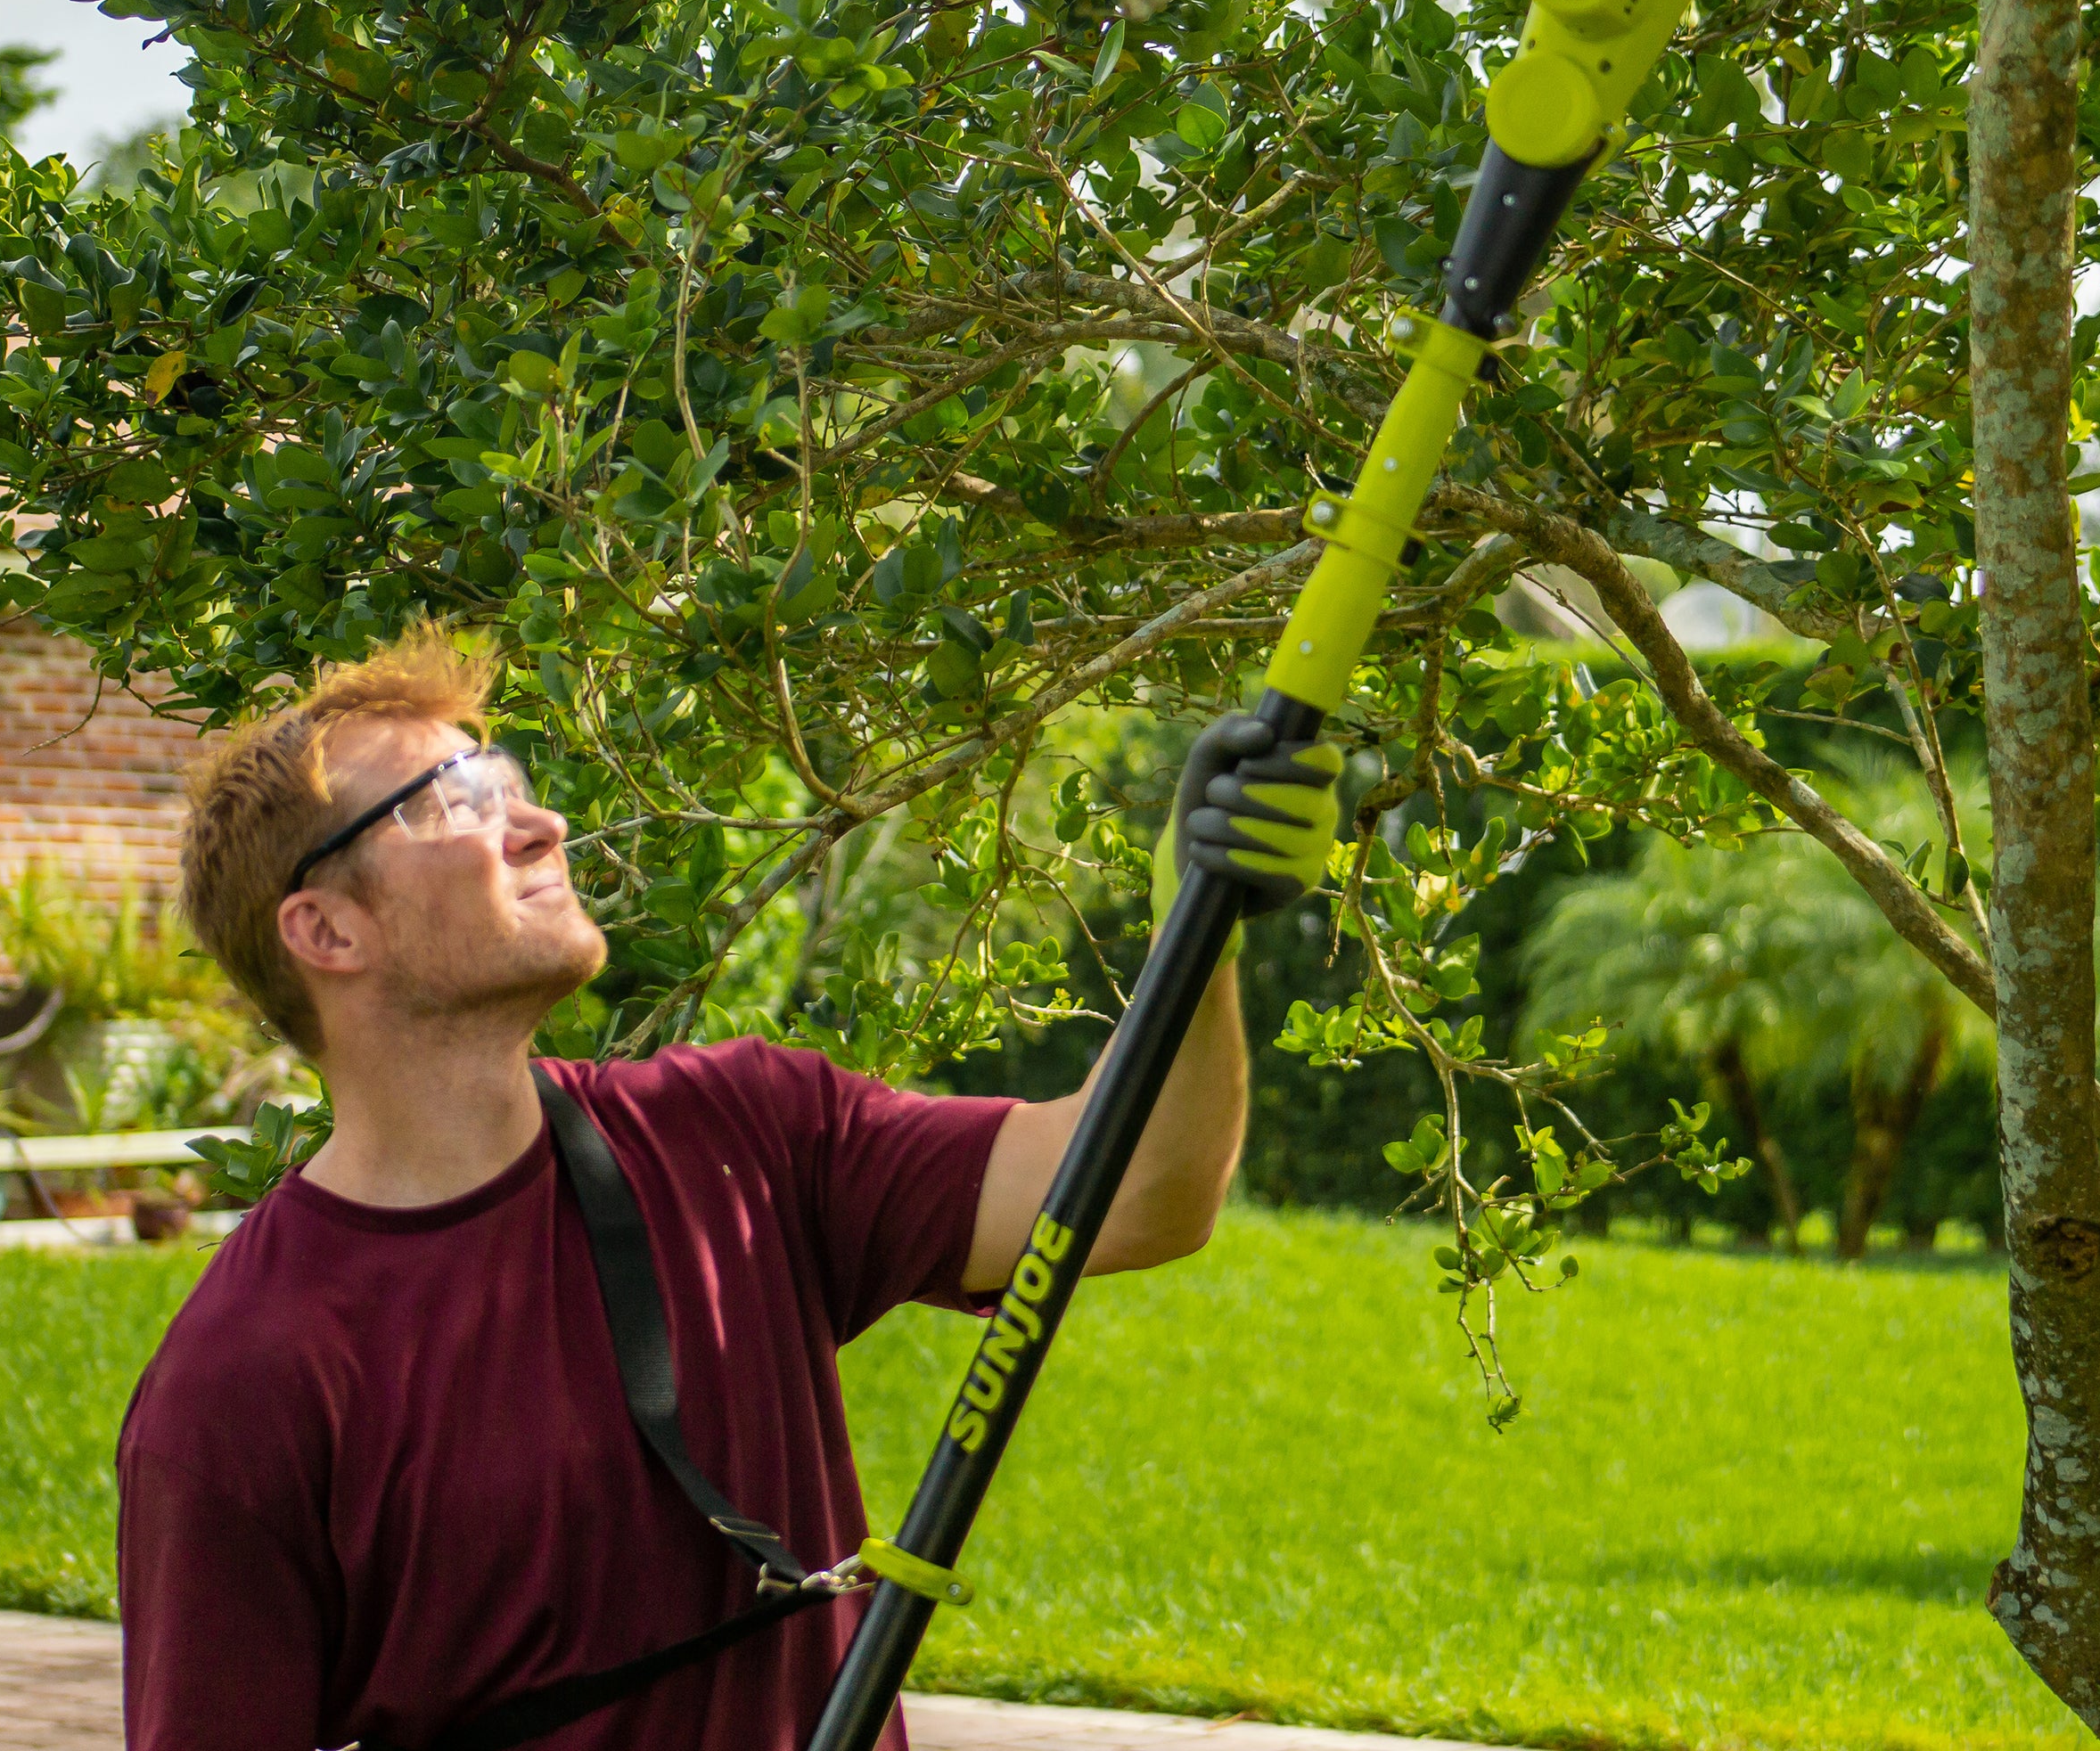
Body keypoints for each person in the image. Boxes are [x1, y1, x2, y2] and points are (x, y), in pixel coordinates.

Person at [116, 627, 1339, 1751]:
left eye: (509, 778)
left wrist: (1202, 929)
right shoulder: (244, 1386)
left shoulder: (738, 1138)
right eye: (457, 803)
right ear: (327, 932)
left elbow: (1137, 1198)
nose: (536, 824)